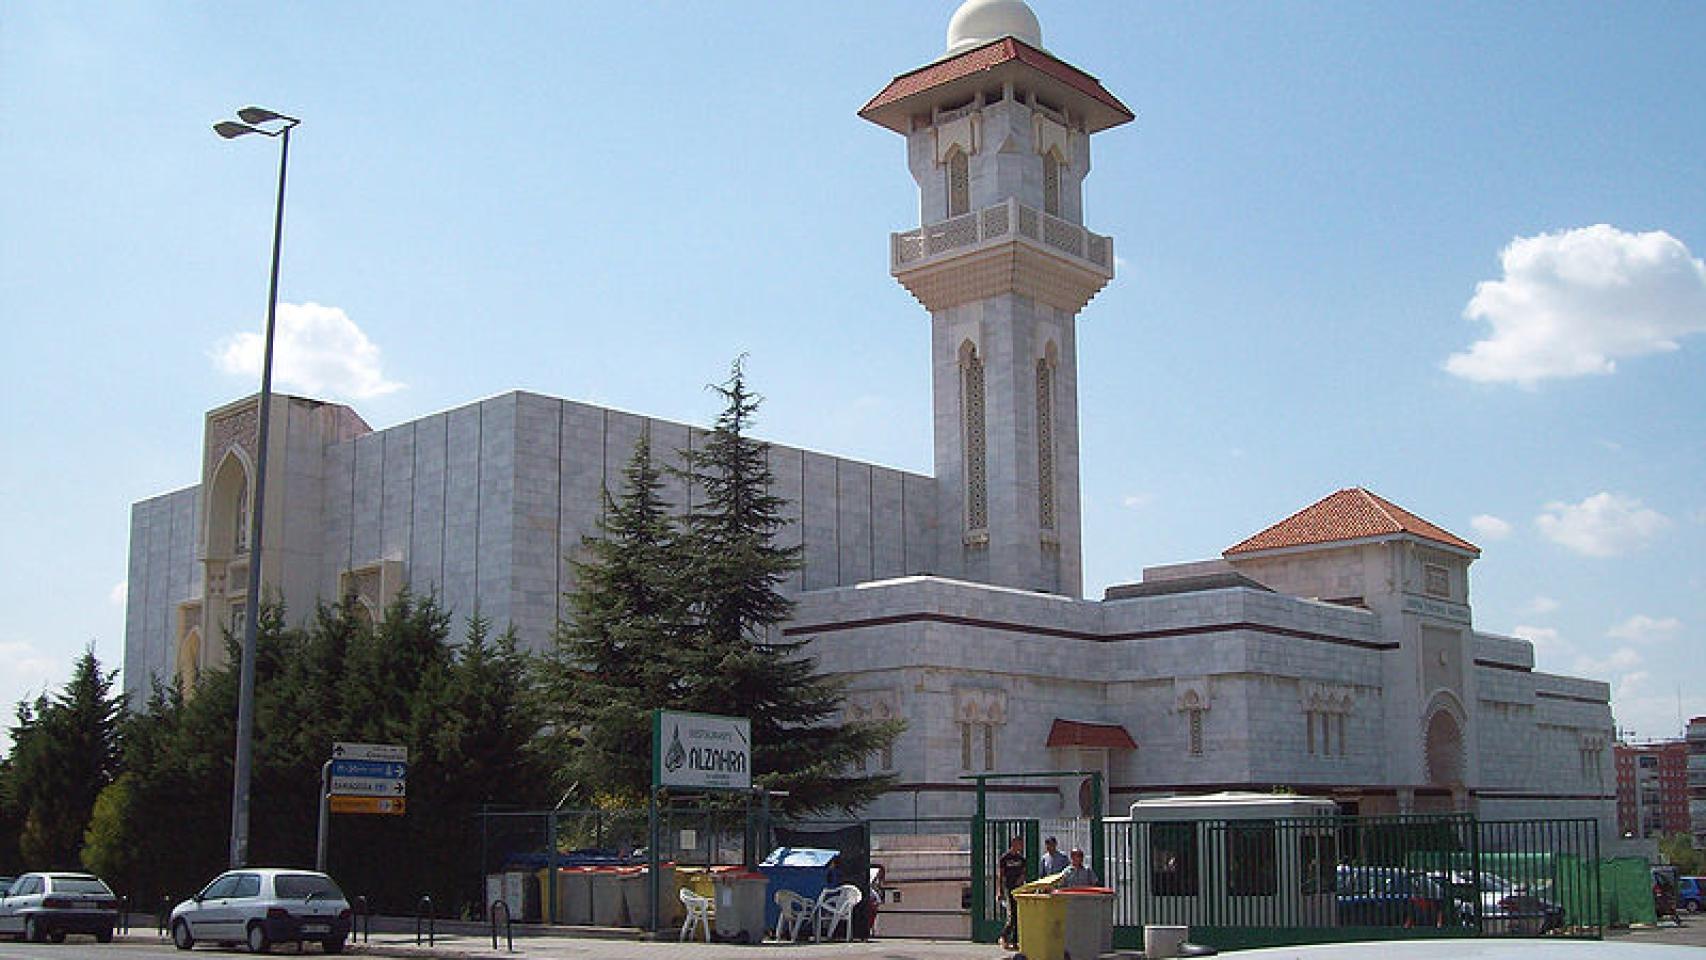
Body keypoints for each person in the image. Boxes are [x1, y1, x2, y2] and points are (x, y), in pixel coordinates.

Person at [998, 835, 1027, 950]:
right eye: (1019, 843)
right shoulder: (1005, 858)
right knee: (1013, 914)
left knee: (1019, 914)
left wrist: (1021, 879)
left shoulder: (1021, 859)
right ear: (1013, 843)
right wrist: (999, 890)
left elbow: (1024, 872)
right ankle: (1004, 936)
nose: (1020, 846)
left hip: (1019, 889)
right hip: (1008, 888)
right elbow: (1001, 875)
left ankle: (1015, 941)